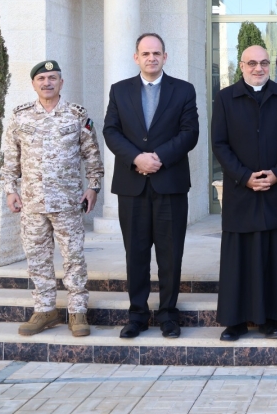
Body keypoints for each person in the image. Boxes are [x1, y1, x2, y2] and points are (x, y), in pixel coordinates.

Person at [103, 33, 199, 339]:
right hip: (132, 186)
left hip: (170, 184)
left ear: (165, 57)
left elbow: (190, 133)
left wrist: (158, 157)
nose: (151, 58)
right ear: (136, 58)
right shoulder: (119, 90)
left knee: (170, 254)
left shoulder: (183, 90)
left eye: (156, 53)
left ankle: (168, 315)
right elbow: (111, 131)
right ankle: (137, 315)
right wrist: (136, 158)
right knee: (136, 254)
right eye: (145, 53)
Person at [2, 60, 104, 337]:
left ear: (61, 82)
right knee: (37, 259)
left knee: (74, 258)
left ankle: (77, 311)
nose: (47, 83)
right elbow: (11, 158)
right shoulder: (21, 116)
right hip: (32, 203)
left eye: (52, 78)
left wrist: (93, 187)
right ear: (33, 84)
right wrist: (11, 190)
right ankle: (45, 310)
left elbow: (92, 156)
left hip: (68, 202)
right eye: (42, 79)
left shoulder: (76, 115)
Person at [211, 45, 277, 341]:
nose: (258, 68)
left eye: (263, 63)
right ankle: (235, 321)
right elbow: (219, 144)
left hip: (276, 190)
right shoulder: (225, 98)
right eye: (252, 63)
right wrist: (244, 177)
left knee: (275, 257)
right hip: (241, 191)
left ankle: (274, 320)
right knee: (239, 259)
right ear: (241, 66)